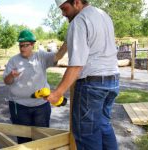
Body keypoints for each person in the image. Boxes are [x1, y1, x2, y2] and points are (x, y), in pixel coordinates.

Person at [47, 0, 120, 150]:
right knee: (104, 126)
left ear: (77, 2)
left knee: (86, 134)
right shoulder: (103, 15)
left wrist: (57, 93)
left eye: (64, 8)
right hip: (112, 80)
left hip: (91, 84)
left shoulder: (79, 21)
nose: (63, 14)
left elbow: (76, 64)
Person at [3, 29, 66, 144]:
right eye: (20, 45)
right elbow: (6, 81)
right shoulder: (13, 60)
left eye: (25, 45)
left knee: (42, 138)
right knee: (23, 140)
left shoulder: (41, 56)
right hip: (19, 106)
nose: (22, 48)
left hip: (41, 106)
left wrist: (67, 43)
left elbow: (58, 56)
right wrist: (11, 75)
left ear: (32, 45)